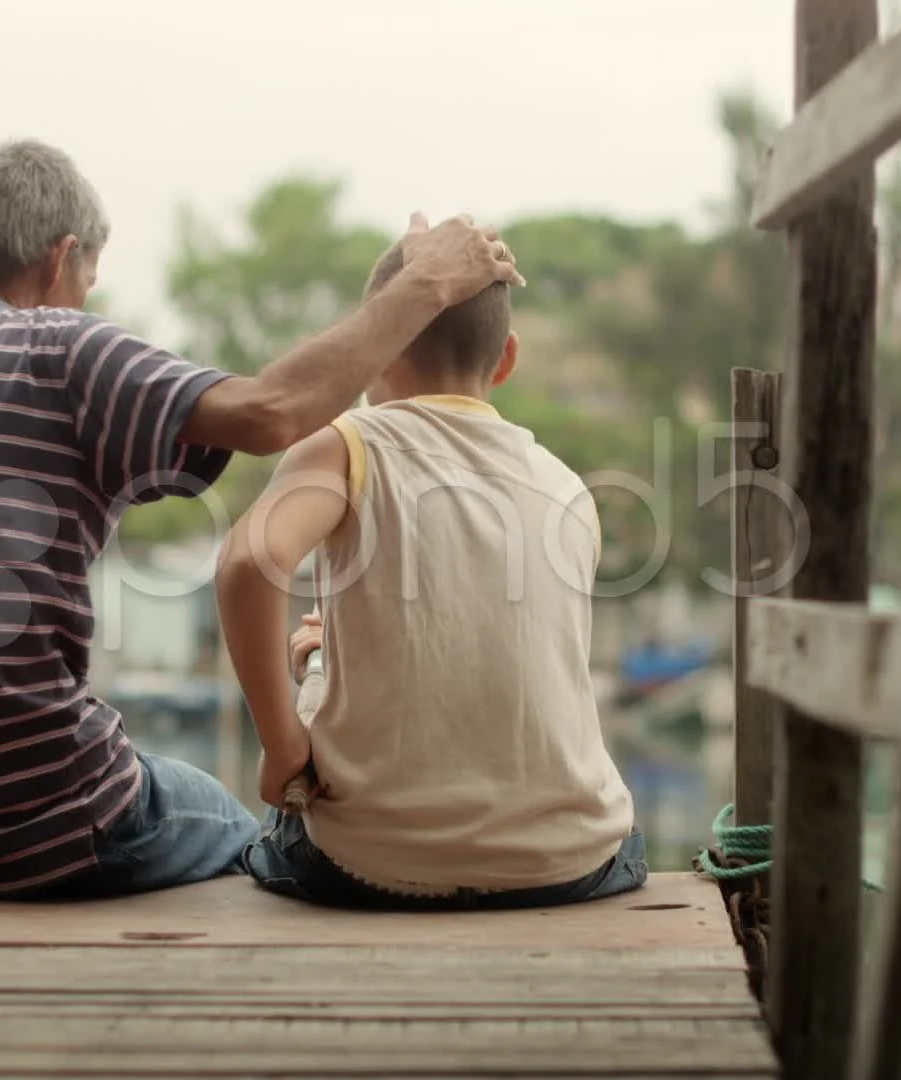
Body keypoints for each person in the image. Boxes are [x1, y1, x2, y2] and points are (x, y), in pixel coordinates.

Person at [0, 139, 522, 900]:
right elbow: (272, 414)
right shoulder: (59, 346)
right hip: (37, 824)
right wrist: (424, 287)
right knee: (232, 819)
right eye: (89, 277)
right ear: (59, 258)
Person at [213, 238, 645, 910]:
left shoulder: (351, 445)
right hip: (573, 863)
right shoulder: (567, 490)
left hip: (368, 867)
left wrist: (280, 746)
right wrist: (327, 661)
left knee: (239, 834)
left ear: (372, 347)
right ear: (506, 361)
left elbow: (247, 563)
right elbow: (480, 660)